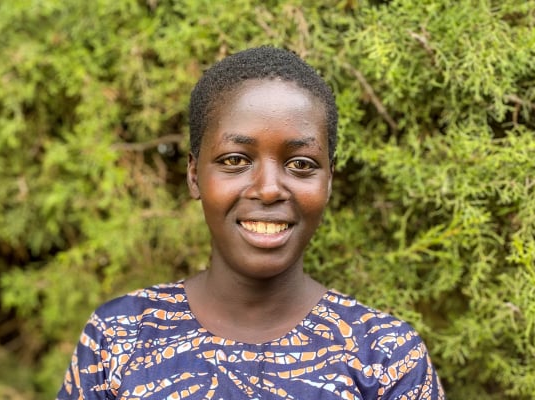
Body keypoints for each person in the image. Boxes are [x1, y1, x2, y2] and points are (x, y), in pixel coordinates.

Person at [57, 46, 445, 399]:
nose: (269, 189)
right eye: (235, 160)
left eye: (301, 164)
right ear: (194, 175)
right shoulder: (119, 337)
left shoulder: (386, 358)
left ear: (328, 181)